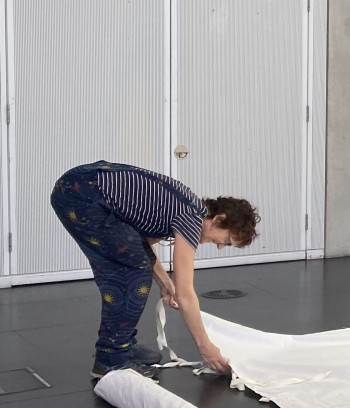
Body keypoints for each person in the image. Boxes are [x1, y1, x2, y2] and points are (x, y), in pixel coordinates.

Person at [50, 161, 259, 378]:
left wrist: (165, 283)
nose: (219, 246)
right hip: (81, 193)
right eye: (225, 240)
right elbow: (186, 294)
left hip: (81, 185)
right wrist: (205, 347)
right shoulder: (190, 219)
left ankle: (122, 344)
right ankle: (111, 358)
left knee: (134, 264)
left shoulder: (188, 207)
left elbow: (139, 245)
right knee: (130, 275)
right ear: (218, 219)